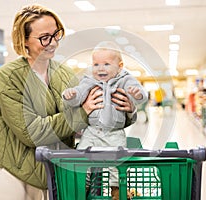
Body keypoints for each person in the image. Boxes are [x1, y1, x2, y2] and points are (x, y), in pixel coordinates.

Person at [0, 4, 136, 200]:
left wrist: (126, 111)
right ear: (24, 40)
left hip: (57, 173)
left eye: (56, 34)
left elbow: (94, 118)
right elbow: (31, 132)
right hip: (17, 175)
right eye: (44, 38)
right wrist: (81, 113)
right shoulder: (10, 76)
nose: (53, 43)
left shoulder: (64, 74)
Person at [62, 41, 148, 200]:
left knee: (117, 162)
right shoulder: (89, 80)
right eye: (96, 64)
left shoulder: (124, 79)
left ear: (120, 66)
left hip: (114, 133)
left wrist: (137, 94)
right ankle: (83, 185)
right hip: (92, 132)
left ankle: (116, 190)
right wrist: (71, 95)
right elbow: (79, 95)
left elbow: (140, 95)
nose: (100, 68)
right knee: (81, 157)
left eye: (107, 64)